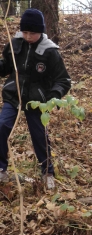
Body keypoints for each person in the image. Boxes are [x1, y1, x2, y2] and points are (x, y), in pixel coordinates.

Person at [0, 9, 71, 188]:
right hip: (14, 95)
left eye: (32, 33)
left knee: (39, 135)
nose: (28, 36)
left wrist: (53, 96)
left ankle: (47, 171)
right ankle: (1, 169)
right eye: (25, 32)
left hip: (37, 100)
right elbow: (6, 67)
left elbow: (63, 80)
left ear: (41, 31)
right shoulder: (15, 44)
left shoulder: (50, 51)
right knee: (1, 126)